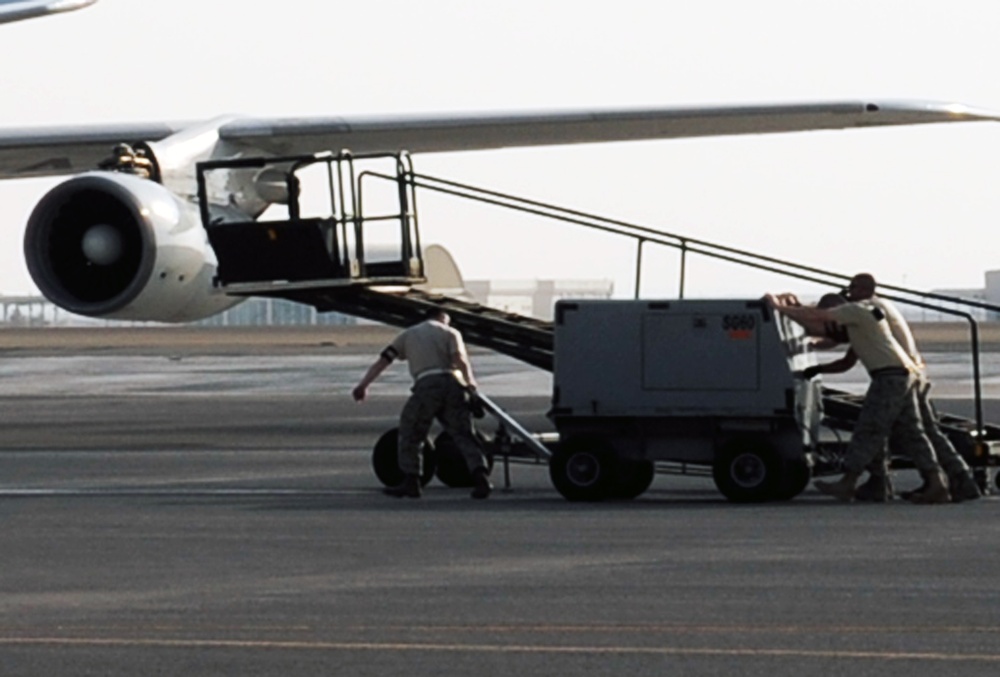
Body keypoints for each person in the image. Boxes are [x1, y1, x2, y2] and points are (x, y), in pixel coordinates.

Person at [765, 292, 951, 504]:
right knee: (912, 432)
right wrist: (796, 312)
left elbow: (819, 318)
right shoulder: (859, 322)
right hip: (903, 375)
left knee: (868, 429)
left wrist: (778, 307)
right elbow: (826, 336)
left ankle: (848, 482)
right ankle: (935, 483)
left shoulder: (854, 311)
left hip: (890, 377)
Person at [828, 273, 981, 502]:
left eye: (853, 289)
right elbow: (855, 352)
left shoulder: (867, 309)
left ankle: (882, 481)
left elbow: (851, 348)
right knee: (918, 430)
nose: (850, 294)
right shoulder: (882, 306)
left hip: (898, 375)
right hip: (914, 373)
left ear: (864, 289)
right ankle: (958, 479)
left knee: (877, 426)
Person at [353, 307, 493, 499]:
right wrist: (471, 386)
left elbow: (384, 360)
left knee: (411, 432)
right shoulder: (451, 332)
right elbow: (460, 360)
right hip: (453, 384)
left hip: (427, 384)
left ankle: (412, 480)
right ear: (443, 318)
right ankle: (481, 479)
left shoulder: (409, 334)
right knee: (464, 434)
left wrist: (363, 385)